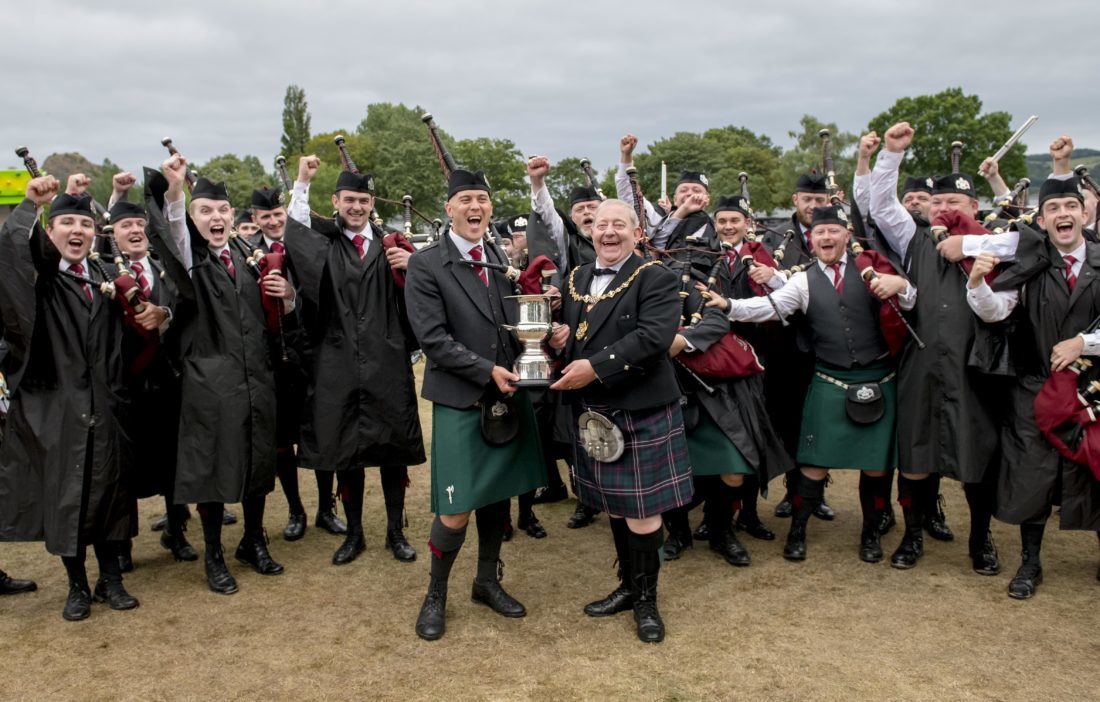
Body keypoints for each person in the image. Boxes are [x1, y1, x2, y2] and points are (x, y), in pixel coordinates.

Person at [709, 206, 917, 563]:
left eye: (833, 232)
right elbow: (768, 307)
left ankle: (870, 535)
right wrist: (727, 304)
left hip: (878, 377)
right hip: (830, 379)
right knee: (812, 464)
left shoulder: (871, 271)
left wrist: (903, 285)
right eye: (819, 234)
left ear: (846, 235)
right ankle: (798, 532)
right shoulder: (802, 280)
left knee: (877, 467)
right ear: (812, 239)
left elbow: (909, 302)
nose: (826, 238)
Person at [404, 169, 546, 641]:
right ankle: (436, 593)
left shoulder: (499, 256)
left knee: (497, 494)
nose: (475, 207)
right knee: (456, 506)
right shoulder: (426, 265)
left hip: (508, 393)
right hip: (463, 397)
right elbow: (433, 340)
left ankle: (486, 582)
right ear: (449, 208)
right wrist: (486, 370)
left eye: (482, 199)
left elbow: (515, 326)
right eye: (465, 199)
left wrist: (546, 326)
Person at [551, 198, 693, 643]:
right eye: (600, 225)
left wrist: (594, 366)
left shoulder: (656, 277)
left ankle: (647, 600)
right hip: (594, 412)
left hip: (641, 407)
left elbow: (654, 338)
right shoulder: (576, 278)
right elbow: (579, 336)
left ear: (637, 232)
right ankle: (628, 588)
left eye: (618, 225)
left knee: (644, 514)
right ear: (590, 231)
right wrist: (560, 341)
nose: (608, 232)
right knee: (615, 504)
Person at [869, 122, 1009, 574]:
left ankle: (980, 540)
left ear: (975, 206)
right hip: (922, 363)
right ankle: (912, 536)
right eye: (939, 201)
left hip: (974, 368)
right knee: (916, 453)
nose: (946, 208)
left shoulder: (996, 244)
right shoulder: (913, 239)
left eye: (956, 202)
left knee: (977, 456)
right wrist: (891, 154)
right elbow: (880, 204)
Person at [148, 155, 288, 595]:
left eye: (223, 210)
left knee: (257, 463)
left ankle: (252, 540)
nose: (216, 218)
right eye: (205, 211)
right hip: (211, 383)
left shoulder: (249, 255)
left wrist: (288, 296)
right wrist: (175, 191)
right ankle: (214, 555)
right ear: (193, 218)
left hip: (255, 380)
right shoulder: (192, 261)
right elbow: (173, 234)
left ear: (233, 216)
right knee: (212, 468)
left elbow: (274, 312)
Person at [0, 177, 138, 620]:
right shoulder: (40, 282)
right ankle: (77, 586)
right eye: (65, 223)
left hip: (108, 404)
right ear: (50, 231)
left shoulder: (102, 276)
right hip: (60, 408)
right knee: (70, 500)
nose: (76, 231)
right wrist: (29, 207)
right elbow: (16, 255)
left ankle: (111, 581)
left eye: (83, 222)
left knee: (113, 497)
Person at [285, 157, 425, 565]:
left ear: (371, 203)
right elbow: (294, 233)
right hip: (338, 362)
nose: (356, 207)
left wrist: (412, 268)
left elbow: (426, 291)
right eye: (349, 200)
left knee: (392, 451)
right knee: (347, 452)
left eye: (363, 200)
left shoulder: (393, 244)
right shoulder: (324, 242)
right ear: (336, 200)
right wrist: (301, 182)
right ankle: (356, 533)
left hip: (387, 363)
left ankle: (396, 532)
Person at [965, 176, 1100, 598]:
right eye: (1053, 208)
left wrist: (1084, 342)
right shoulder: (1030, 263)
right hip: (1036, 388)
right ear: (1040, 220)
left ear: (1084, 213)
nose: (1063, 214)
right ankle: (1030, 562)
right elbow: (994, 312)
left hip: (1094, 388)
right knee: (1032, 473)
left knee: (1096, 469)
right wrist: (976, 285)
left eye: (1070, 206)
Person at [105, 178, 197, 565]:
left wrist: (167, 314)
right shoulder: (104, 274)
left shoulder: (165, 269)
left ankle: (177, 531)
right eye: (126, 226)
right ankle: (122, 545)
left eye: (140, 225)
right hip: (124, 386)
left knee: (173, 461)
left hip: (167, 383)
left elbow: (188, 311)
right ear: (112, 234)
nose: (136, 231)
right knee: (125, 468)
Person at [247, 185, 347, 542]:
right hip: (270, 353)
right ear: (255, 219)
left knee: (322, 429)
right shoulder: (249, 253)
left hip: (313, 347)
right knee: (280, 437)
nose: (274, 222)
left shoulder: (307, 243)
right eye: (266, 217)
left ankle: (325, 509)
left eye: (278, 215)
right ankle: (295, 510)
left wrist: (293, 299)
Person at [759, 172, 837, 522]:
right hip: (786, 350)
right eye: (808, 199)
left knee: (819, 424)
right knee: (790, 423)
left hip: (828, 347)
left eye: (820, 201)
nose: (813, 206)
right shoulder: (775, 238)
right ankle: (793, 492)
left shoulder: (836, 235)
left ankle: (815, 494)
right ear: (796, 200)